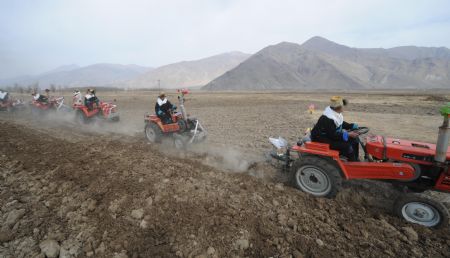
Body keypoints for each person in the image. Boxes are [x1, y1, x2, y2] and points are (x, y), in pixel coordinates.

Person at [311, 96, 360, 161]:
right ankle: (352, 163)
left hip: (330, 136)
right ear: (338, 107)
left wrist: (351, 126)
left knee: (354, 139)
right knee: (347, 146)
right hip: (322, 139)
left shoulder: (335, 113)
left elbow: (340, 123)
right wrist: (348, 134)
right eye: (342, 106)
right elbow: (333, 135)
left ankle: (355, 159)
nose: (344, 108)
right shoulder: (328, 118)